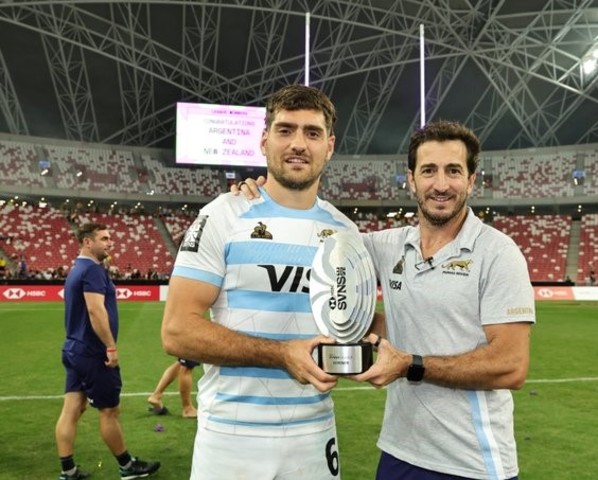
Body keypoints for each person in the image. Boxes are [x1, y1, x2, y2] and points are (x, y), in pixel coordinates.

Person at [237, 120, 536, 479]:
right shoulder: (386, 246)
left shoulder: (498, 253)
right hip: (398, 452)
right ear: (411, 179)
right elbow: (318, 248)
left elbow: (511, 364)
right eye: (428, 171)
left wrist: (410, 364)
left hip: (471, 462)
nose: (440, 184)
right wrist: (269, 193)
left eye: (453, 171)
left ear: (471, 180)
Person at [161, 84, 359, 480]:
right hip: (231, 439)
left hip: (314, 435)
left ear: (330, 146)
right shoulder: (223, 214)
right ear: (264, 140)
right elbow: (178, 332)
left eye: (312, 133)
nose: (298, 143)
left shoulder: (345, 232)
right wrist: (282, 353)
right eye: (285, 130)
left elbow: (349, 328)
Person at [55, 222, 161, 480]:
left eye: (110, 237)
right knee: (109, 411)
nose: (110, 242)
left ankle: (68, 470)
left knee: (72, 409)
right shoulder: (92, 270)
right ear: (87, 242)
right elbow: (95, 309)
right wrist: (110, 346)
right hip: (93, 352)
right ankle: (127, 466)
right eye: (103, 238)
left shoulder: (77, 268)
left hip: (73, 349)